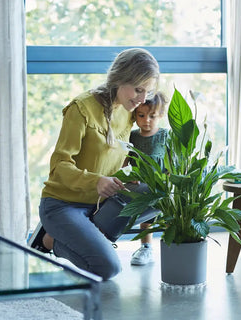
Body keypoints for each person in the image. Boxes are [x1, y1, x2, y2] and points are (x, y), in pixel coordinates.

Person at [28, 48, 160, 280]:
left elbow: (120, 152)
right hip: (63, 205)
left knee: (163, 192)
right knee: (109, 268)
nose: (142, 100)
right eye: (138, 90)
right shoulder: (81, 109)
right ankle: (50, 240)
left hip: (102, 204)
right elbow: (59, 167)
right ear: (120, 78)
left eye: (147, 92)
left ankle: (82, 236)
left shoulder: (129, 111)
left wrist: (133, 172)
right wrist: (96, 181)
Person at [125, 92, 168, 266]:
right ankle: (146, 247)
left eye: (152, 116)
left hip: (162, 184)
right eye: (141, 115)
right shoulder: (132, 136)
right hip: (141, 185)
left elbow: (172, 160)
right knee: (146, 219)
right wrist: (128, 176)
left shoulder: (165, 135)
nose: (146, 120)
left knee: (166, 217)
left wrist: (169, 178)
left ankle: (171, 244)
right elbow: (125, 159)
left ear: (160, 115)